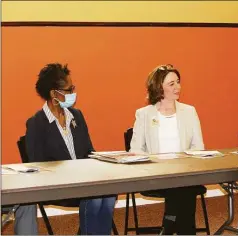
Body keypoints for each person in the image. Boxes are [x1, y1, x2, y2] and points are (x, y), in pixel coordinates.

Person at [15, 63, 116, 235]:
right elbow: (38, 165)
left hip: (83, 180)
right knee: (96, 197)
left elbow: (89, 152)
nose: (73, 94)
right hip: (57, 185)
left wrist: (103, 163)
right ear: (54, 94)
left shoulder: (76, 115)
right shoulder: (36, 124)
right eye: (69, 90)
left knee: (109, 192)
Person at [130, 64, 205, 235]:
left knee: (183, 185)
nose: (178, 87)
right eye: (172, 84)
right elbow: (135, 149)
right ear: (159, 87)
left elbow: (198, 147)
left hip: (184, 171)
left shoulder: (189, 111)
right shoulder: (144, 114)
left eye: (178, 82)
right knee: (184, 190)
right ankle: (177, 228)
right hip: (156, 174)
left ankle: (169, 225)